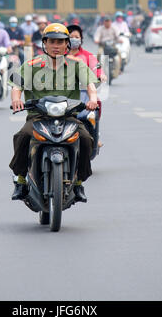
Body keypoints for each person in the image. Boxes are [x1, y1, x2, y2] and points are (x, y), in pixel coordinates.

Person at [8, 23, 99, 203]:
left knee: (87, 140)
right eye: (52, 42)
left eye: (60, 42)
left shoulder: (76, 65)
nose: (56, 46)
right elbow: (16, 85)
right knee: (22, 137)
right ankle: (20, 180)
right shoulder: (31, 64)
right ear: (44, 43)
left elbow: (90, 85)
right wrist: (16, 99)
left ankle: (79, 182)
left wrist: (93, 99)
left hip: (68, 117)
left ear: (67, 45)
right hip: (38, 116)